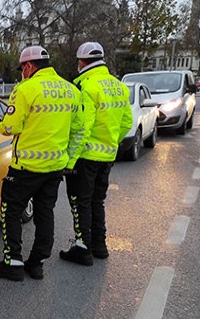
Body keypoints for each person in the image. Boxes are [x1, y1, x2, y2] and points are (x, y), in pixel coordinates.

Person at [0, 45, 83, 281]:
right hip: (55, 167)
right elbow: (78, 130)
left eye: (22, 68)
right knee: (44, 213)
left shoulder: (25, 89)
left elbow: (10, 127)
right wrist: (68, 159)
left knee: (10, 210)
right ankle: (36, 264)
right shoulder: (71, 90)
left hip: (25, 168)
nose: (22, 73)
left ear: (28, 66)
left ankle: (13, 263)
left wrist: (1, 123)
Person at [59, 42, 132, 266]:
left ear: (82, 62)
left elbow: (83, 127)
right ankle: (100, 246)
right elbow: (127, 122)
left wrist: (70, 160)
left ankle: (82, 248)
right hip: (107, 157)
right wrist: (111, 142)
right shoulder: (119, 86)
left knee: (80, 202)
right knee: (97, 201)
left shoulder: (87, 87)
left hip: (85, 157)